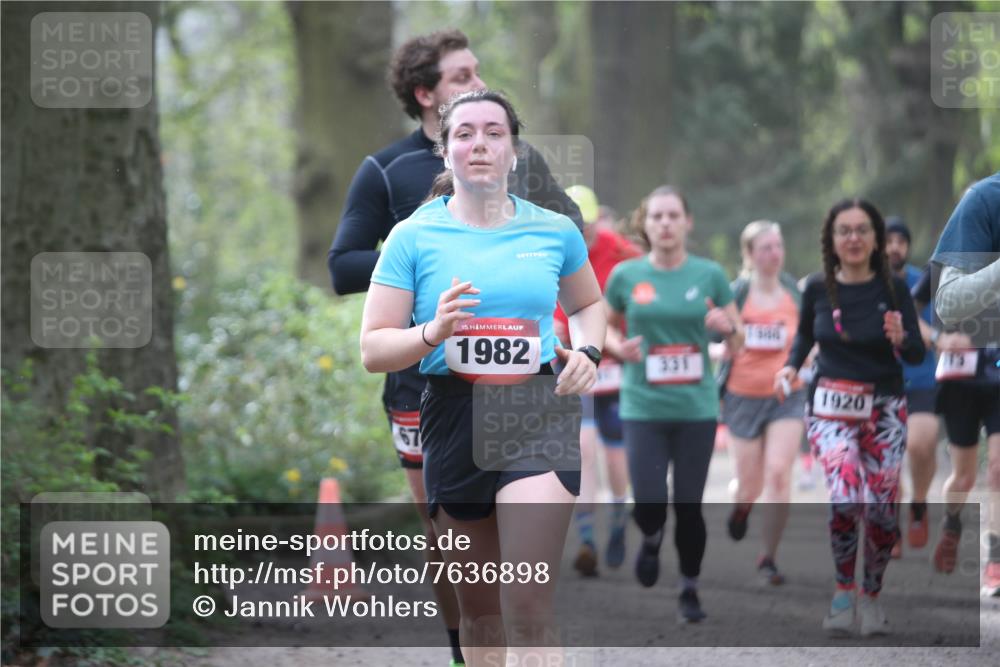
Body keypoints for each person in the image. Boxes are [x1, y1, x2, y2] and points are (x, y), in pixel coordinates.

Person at [327, 30, 582, 666]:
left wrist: (588, 342)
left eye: (479, 75)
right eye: (460, 76)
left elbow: (571, 249)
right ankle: (462, 648)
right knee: (462, 568)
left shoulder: (522, 168)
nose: (475, 84)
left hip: (528, 397)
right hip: (428, 389)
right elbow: (341, 267)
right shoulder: (386, 172)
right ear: (426, 96)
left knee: (527, 593)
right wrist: (413, 259)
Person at [775, 198, 925, 637]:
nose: (854, 238)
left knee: (879, 510)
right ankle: (843, 593)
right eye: (845, 230)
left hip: (884, 408)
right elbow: (805, 335)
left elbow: (916, 352)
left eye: (862, 230)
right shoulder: (818, 288)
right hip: (830, 407)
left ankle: (871, 595)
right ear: (832, 239)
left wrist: (902, 339)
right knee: (844, 494)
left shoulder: (893, 288)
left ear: (876, 238)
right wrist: (790, 366)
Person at [604, 185, 744, 623]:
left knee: (688, 505)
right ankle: (649, 537)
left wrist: (725, 328)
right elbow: (604, 326)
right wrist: (616, 346)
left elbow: (738, 341)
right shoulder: (626, 276)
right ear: (645, 225)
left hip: (695, 408)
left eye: (672, 216)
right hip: (642, 406)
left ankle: (689, 587)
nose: (665, 224)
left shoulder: (710, 275)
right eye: (656, 217)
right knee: (648, 501)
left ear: (687, 222)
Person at [553, 185, 640, 577]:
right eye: (575, 226)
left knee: (617, 457)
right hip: (574, 361)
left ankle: (619, 519)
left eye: (587, 226)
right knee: (583, 449)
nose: (582, 234)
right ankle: (587, 538)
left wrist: (625, 331)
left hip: (616, 366)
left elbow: (649, 280)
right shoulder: (554, 249)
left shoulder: (621, 251)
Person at [718, 221, 804, 585]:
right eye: (765, 247)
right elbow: (712, 340)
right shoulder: (736, 293)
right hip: (742, 396)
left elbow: (809, 338)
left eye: (778, 246)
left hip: (787, 394)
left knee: (779, 473)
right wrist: (722, 342)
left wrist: (808, 358)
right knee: (750, 483)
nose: (774, 254)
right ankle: (742, 505)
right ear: (750, 255)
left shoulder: (795, 293)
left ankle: (768, 556)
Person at [928, 172, 1000, 597]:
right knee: (964, 475)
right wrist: (938, 337)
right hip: (964, 376)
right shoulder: (983, 201)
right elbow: (943, 305)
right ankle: (953, 519)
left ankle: (995, 558)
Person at [884, 217, 940, 554]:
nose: (894, 247)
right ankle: (890, 524)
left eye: (901, 241)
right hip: (881, 381)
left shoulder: (923, 282)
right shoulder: (867, 285)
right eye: (888, 240)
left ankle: (918, 504)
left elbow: (933, 331)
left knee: (921, 445)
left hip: (920, 376)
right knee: (887, 459)